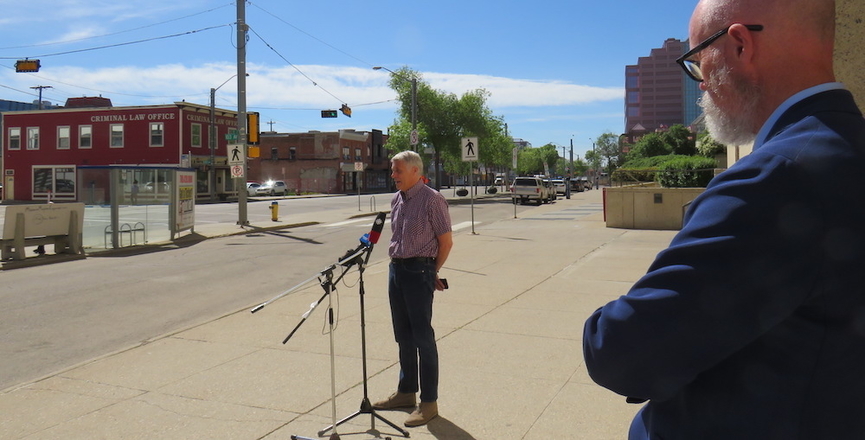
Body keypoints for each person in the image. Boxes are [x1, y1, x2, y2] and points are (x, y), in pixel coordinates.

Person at [583, 0, 865, 439]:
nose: (701, 87)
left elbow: (620, 351)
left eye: (698, 63)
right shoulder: (845, 149)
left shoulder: (778, 178)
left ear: (739, 45)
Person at [373, 150, 453, 427]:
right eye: (392, 170)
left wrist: (432, 271)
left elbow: (446, 242)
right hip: (396, 270)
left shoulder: (433, 200)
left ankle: (428, 402)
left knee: (422, 338)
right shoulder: (397, 199)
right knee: (402, 335)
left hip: (419, 271)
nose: (392, 175)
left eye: (397, 171)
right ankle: (406, 392)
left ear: (415, 171)